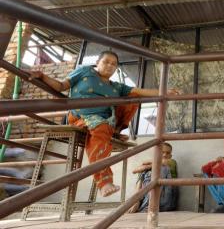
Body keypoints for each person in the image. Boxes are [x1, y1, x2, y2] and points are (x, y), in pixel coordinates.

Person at [28, 50, 179, 197]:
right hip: (81, 115)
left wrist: (164, 92)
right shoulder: (84, 72)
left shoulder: (116, 87)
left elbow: (140, 90)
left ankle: (116, 131)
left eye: (113, 64)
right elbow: (61, 86)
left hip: (106, 120)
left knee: (132, 96)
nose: (109, 66)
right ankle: (104, 182)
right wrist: (42, 76)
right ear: (97, 63)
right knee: (101, 127)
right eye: (106, 62)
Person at [128, 142, 178, 213]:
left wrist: (146, 166)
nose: (165, 155)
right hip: (151, 197)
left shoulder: (171, 162)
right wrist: (147, 167)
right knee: (146, 171)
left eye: (167, 153)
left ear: (170, 155)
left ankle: (139, 201)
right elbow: (135, 171)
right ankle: (137, 201)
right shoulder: (154, 163)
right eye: (162, 152)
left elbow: (163, 162)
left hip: (165, 201)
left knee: (160, 168)